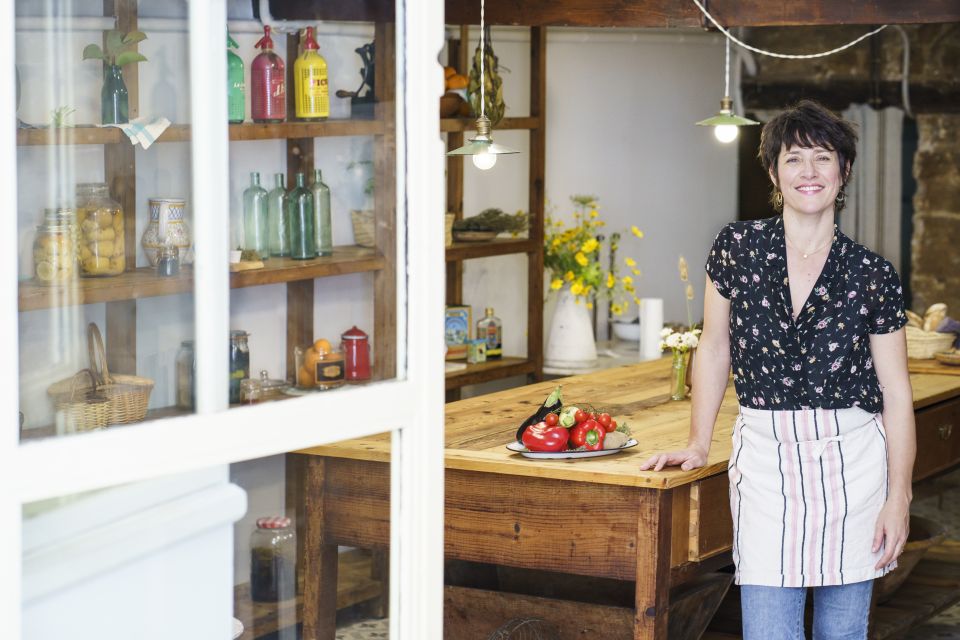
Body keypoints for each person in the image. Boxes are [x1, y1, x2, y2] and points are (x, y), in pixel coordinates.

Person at [640, 100, 915, 640]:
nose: (809, 172)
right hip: (765, 463)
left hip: (854, 466)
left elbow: (896, 390)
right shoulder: (737, 248)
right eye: (793, 159)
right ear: (773, 172)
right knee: (768, 630)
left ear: (844, 172)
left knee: (842, 632)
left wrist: (898, 497)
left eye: (823, 157)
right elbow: (714, 348)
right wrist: (698, 443)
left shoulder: (873, 274)